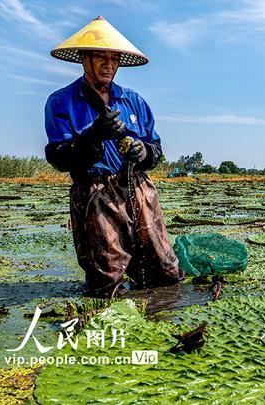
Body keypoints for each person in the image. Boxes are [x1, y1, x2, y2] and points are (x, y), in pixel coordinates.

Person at [44, 16, 182, 297]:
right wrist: (94, 135)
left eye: (114, 58)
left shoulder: (134, 101)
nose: (109, 64)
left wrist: (142, 152)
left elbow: (155, 149)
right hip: (95, 194)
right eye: (100, 57)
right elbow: (59, 157)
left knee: (164, 272)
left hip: (138, 189)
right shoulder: (61, 102)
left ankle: (156, 320)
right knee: (106, 279)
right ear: (84, 58)